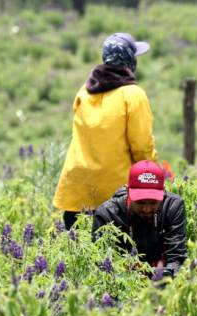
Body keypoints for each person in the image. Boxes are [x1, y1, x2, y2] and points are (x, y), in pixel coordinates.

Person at [53, 32, 157, 230]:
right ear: (129, 60)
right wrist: (151, 178)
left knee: (78, 255)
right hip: (115, 196)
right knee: (120, 256)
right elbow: (142, 147)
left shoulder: (84, 92)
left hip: (77, 191)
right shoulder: (133, 95)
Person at [92, 160, 187, 279]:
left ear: (163, 194)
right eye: (140, 202)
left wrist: (167, 277)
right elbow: (100, 263)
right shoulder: (108, 214)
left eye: (153, 202)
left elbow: (177, 257)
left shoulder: (173, 207)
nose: (146, 209)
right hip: (122, 281)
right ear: (128, 192)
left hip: (163, 281)